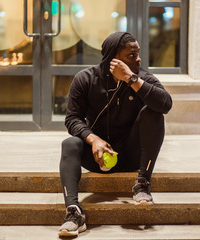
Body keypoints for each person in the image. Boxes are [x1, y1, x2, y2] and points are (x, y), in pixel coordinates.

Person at [58, 32, 172, 237]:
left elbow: (165, 105)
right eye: (131, 55)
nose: (138, 59)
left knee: (153, 113)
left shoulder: (141, 77)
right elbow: (72, 118)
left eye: (138, 54)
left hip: (132, 155)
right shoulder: (85, 79)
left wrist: (130, 78)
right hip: (97, 156)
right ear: (113, 59)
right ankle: (73, 213)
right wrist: (93, 140)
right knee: (70, 143)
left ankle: (142, 184)